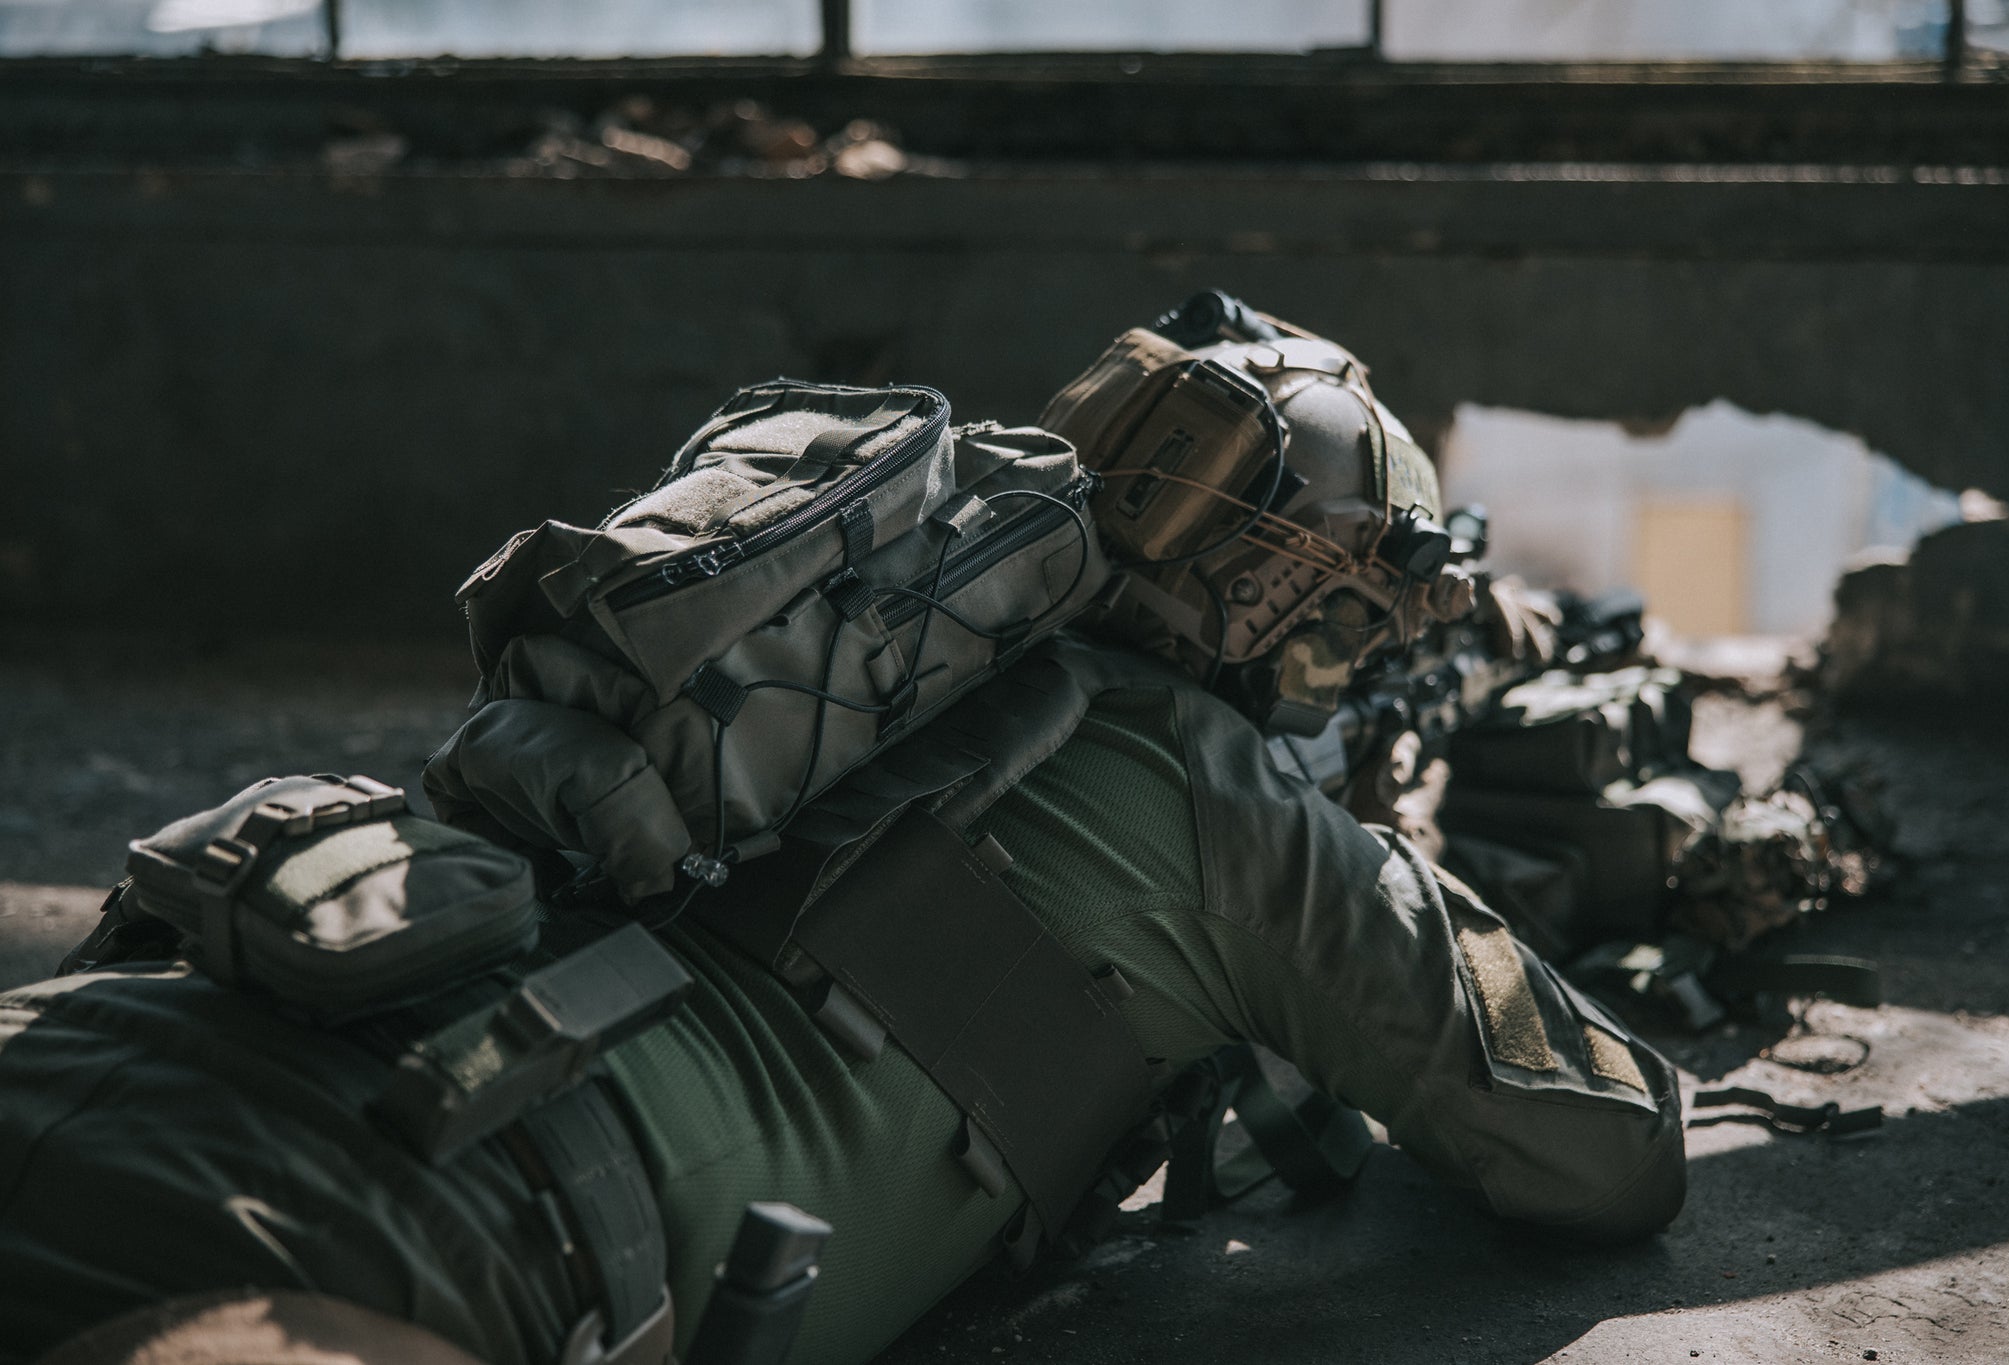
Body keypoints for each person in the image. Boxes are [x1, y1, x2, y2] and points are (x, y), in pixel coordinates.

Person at [0, 301, 1685, 1365]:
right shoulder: (1217, 799)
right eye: (1348, 637)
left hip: (133, 1024)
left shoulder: (813, 660)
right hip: (419, 1224)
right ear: (1276, 610)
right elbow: (1604, 1151)